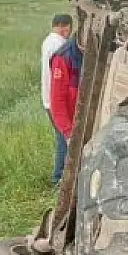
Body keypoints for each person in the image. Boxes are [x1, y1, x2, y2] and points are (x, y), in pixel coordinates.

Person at [48, 35, 84, 186]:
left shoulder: (90, 54)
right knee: (65, 148)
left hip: (82, 118)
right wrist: (68, 132)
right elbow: (58, 102)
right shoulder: (64, 57)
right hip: (68, 120)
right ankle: (59, 183)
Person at [42, 14, 73, 184]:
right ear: (65, 27)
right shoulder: (60, 45)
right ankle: (58, 178)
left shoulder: (47, 42)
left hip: (48, 98)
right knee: (64, 140)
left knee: (61, 138)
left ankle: (61, 177)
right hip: (56, 101)